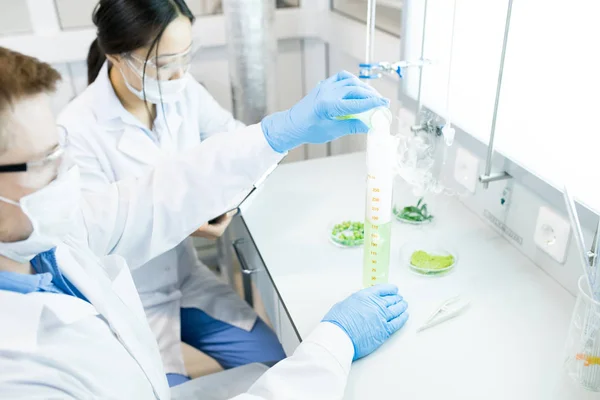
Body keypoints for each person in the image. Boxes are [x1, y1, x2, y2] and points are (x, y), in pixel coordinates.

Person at [0, 47, 409, 399]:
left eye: (61, 150)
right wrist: (332, 344)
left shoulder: (43, 242)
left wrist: (278, 132)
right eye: (44, 163)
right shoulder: (18, 377)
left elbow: (154, 197)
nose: (66, 173)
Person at [58, 0, 284, 383]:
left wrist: (226, 198)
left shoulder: (181, 89)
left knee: (275, 360)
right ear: (116, 56)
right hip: (130, 296)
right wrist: (185, 218)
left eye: (185, 57)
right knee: (163, 391)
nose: (179, 74)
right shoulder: (76, 131)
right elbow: (97, 241)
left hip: (184, 277)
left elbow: (232, 141)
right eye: (163, 64)